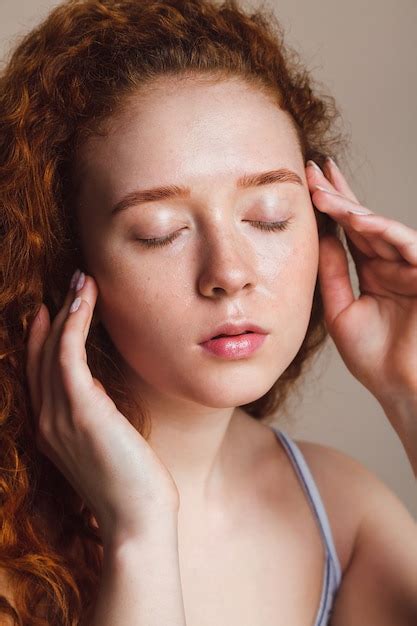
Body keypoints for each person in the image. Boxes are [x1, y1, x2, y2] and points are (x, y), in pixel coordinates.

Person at [1, 0, 416, 624]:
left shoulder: (341, 511)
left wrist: (410, 390)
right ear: (62, 259)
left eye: (269, 217)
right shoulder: (14, 546)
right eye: (159, 231)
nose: (229, 273)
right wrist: (139, 533)